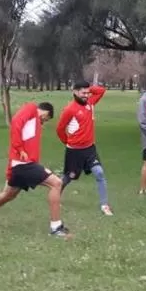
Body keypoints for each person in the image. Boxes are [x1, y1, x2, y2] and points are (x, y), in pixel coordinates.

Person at [0, 102, 71, 237]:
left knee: (9, 194)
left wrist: (11, 169)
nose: (44, 121)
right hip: (24, 164)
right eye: (46, 119)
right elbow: (16, 122)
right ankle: (56, 228)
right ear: (46, 113)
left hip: (20, 165)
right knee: (57, 183)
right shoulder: (31, 109)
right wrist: (19, 148)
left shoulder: (34, 123)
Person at [56, 81, 113, 216]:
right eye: (83, 93)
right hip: (74, 151)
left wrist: (88, 87)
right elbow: (59, 129)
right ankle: (55, 196)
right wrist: (67, 142)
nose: (86, 95)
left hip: (90, 149)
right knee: (68, 177)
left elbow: (101, 91)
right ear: (75, 92)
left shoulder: (90, 104)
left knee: (99, 172)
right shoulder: (70, 109)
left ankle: (104, 205)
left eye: (88, 93)